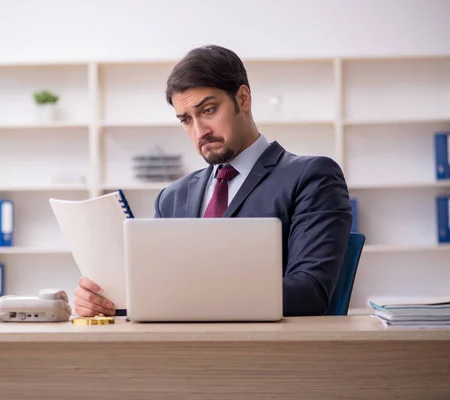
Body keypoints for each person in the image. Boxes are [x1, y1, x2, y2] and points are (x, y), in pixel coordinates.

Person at [74, 45, 352, 318]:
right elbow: (154, 295)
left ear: (243, 99)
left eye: (208, 110)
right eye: (185, 120)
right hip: (181, 353)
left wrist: (190, 294)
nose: (200, 131)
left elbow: (310, 292)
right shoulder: (172, 197)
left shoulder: (311, 176)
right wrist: (108, 301)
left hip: (269, 356)